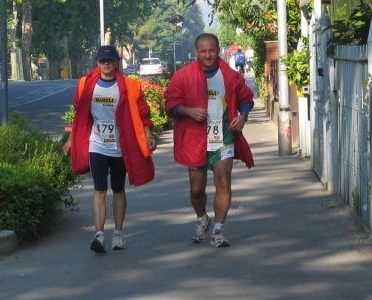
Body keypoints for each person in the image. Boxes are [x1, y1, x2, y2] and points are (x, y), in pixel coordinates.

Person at [62, 45, 157, 254]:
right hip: (97, 143)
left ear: (116, 63)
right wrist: (71, 140)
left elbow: (143, 114)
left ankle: (118, 234)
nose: (106, 64)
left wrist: (148, 135)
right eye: (102, 60)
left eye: (110, 60)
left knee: (118, 189)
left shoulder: (130, 86)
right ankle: (99, 235)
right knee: (99, 189)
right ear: (97, 62)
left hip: (121, 145)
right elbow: (79, 115)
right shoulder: (86, 85)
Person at [165, 33, 254, 248]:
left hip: (222, 136)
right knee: (197, 189)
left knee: (223, 182)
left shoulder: (230, 76)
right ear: (196, 52)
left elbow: (246, 99)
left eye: (211, 50)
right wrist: (188, 111)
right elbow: (171, 104)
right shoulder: (183, 76)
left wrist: (242, 116)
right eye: (203, 51)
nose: (207, 55)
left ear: (218, 50)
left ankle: (219, 230)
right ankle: (202, 218)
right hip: (194, 140)